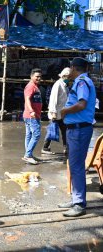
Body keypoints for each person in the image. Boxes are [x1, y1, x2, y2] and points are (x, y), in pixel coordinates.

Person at [58, 58, 96, 217]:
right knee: (74, 166)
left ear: (73, 68)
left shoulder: (82, 82)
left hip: (79, 130)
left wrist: (65, 111)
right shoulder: (82, 81)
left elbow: (81, 104)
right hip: (77, 129)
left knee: (77, 166)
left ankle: (79, 204)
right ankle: (75, 199)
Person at [42, 67, 70, 155]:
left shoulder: (65, 85)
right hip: (55, 113)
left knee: (64, 131)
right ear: (64, 76)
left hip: (62, 113)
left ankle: (66, 148)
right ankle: (45, 148)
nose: (69, 79)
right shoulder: (58, 85)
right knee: (52, 130)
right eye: (68, 77)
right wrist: (53, 113)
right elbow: (53, 99)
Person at [22, 68, 42, 165]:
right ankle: (28, 155)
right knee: (36, 134)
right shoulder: (30, 86)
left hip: (32, 115)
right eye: (37, 76)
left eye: (40, 76)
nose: (39, 78)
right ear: (31, 76)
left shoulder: (34, 86)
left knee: (29, 135)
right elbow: (27, 99)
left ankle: (29, 154)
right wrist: (31, 111)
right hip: (31, 115)